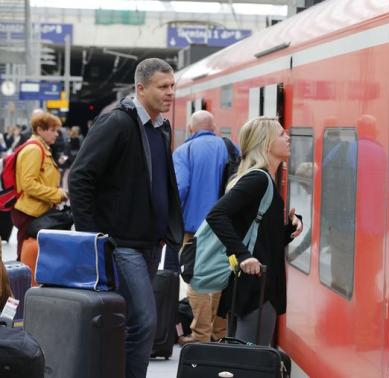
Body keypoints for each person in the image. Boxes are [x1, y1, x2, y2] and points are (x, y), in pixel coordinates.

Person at [68, 58, 183, 378]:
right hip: (122, 243)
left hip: (150, 242)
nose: (171, 92)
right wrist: (95, 237)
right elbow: (80, 178)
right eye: (163, 86)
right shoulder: (117, 124)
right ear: (141, 88)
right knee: (145, 321)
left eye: (173, 85)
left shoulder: (161, 128)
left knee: (131, 320)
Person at [207, 116, 303, 345]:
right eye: (281, 134)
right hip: (254, 288)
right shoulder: (258, 180)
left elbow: (261, 237)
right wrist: (243, 255)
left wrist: (289, 229)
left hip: (255, 285)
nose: (288, 138)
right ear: (266, 142)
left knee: (245, 358)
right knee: (249, 360)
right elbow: (216, 215)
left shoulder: (263, 180)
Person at [173, 110, 237, 344]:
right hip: (226, 229)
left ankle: (200, 336)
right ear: (214, 127)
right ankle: (218, 334)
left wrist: (171, 222)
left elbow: (180, 188)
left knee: (195, 281)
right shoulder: (230, 148)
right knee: (221, 278)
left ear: (191, 129)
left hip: (195, 231)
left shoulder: (184, 152)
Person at [11, 112, 68, 260]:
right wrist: (57, 194)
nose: (56, 134)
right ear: (40, 130)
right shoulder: (34, 150)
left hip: (35, 210)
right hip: (29, 212)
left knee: (29, 254)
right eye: (53, 130)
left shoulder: (41, 149)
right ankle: (21, 282)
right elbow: (28, 184)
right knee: (26, 256)